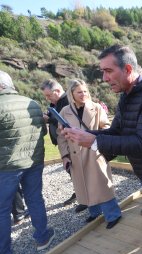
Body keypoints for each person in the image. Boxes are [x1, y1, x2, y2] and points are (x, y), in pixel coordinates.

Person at [61, 45, 142, 254]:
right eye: (102, 72)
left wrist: (94, 142)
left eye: (108, 71)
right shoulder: (128, 94)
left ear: (127, 69)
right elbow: (117, 131)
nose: (104, 78)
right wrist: (88, 136)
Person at [0, 70, 55, 254]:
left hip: (6, 166)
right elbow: (43, 131)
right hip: (34, 161)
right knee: (35, 199)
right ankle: (42, 238)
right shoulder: (31, 102)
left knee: (2, 209)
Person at [56, 79, 122, 229]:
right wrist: (65, 156)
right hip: (75, 156)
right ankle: (94, 212)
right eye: (79, 92)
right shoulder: (65, 111)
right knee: (84, 186)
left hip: (94, 153)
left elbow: (106, 127)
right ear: (71, 93)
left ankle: (113, 215)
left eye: (85, 91)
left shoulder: (97, 107)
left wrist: (96, 139)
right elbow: (60, 136)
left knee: (102, 185)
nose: (83, 94)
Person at [41, 79, 87, 212]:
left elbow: (68, 122)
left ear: (57, 91)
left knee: (78, 171)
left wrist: (49, 119)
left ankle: (84, 198)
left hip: (71, 144)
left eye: (49, 95)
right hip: (65, 143)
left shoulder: (67, 101)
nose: (47, 98)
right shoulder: (56, 103)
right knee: (72, 171)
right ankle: (80, 194)